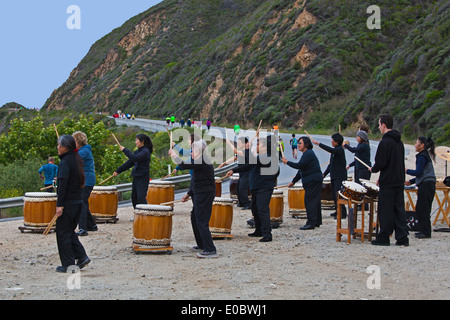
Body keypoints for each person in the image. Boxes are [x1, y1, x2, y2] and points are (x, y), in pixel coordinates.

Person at [170, 139, 218, 258]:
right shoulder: (198, 160)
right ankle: (202, 244)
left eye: (192, 151)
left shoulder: (203, 160)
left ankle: (210, 249)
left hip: (205, 193)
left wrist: (174, 155)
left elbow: (183, 165)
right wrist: (189, 193)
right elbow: (195, 180)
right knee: (194, 218)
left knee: (201, 221)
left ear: (198, 151)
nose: (191, 153)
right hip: (198, 192)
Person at [227, 134, 279, 242]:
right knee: (255, 209)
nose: (257, 147)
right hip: (257, 187)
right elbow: (248, 165)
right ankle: (259, 230)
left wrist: (249, 150)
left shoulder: (267, 157)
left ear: (264, 147)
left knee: (262, 209)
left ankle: (267, 234)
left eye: (259, 145)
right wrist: (233, 170)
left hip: (264, 188)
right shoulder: (260, 157)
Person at [370, 114, 409, 246]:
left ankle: (384, 237)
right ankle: (402, 237)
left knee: (385, 210)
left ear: (384, 125)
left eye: (379, 124)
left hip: (388, 181)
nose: (379, 127)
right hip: (399, 180)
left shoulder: (385, 142)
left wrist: (373, 170)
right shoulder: (399, 142)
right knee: (399, 209)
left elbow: (380, 162)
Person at [54, 135, 90, 273]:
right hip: (77, 202)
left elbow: (62, 186)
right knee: (69, 232)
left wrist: (59, 205)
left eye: (59, 145)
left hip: (68, 203)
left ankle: (69, 265)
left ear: (65, 147)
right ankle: (82, 256)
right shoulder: (76, 159)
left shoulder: (65, 163)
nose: (57, 147)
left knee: (63, 233)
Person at [282, 136, 323, 229]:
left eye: (300, 143)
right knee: (315, 201)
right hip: (315, 180)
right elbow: (301, 169)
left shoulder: (308, 153)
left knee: (310, 201)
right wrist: (293, 181)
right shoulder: (307, 154)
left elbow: (299, 165)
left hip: (313, 181)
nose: (298, 145)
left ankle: (311, 222)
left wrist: (287, 162)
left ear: (306, 144)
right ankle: (316, 221)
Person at [405, 137, 436, 239]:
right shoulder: (424, 156)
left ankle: (426, 232)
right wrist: (411, 181)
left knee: (424, 208)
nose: (415, 144)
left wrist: (406, 170)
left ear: (422, 145)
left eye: (417, 142)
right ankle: (423, 229)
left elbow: (418, 172)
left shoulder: (422, 157)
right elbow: (421, 173)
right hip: (427, 184)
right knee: (421, 208)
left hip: (426, 185)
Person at [312, 133, 347, 219]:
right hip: (334, 175)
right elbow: (331, 164)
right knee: (334, 194)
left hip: (340, 176)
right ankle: (337, 210)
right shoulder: (335, 151)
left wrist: (319, 144)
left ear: (337, 142)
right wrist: (324, 174)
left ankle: (342, 212)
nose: (331, 141)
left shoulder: (339, 150)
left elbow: (331, 150)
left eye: (332, 140)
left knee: (338, 194)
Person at [113, 133, 152, 209]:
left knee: (141, 198)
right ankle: (137, 215)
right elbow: (130, 162)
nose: (135, 142)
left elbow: (135, 158)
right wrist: (118, 170)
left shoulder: (145, 152)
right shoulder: (138, 152)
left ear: (142, 141)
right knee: (134, 198)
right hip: (136, 177)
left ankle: (145, 215)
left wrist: (125, 150)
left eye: (137, 140)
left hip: (143, 178)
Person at [72, 131, 97, 237]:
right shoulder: (83, 150)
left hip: (87, 180)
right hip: (86, 180)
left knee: (81, 203)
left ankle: (83, 228)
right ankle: (91, 225)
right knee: (84, 202)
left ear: (77, 141)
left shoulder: (84, 151)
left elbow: (75, 159)